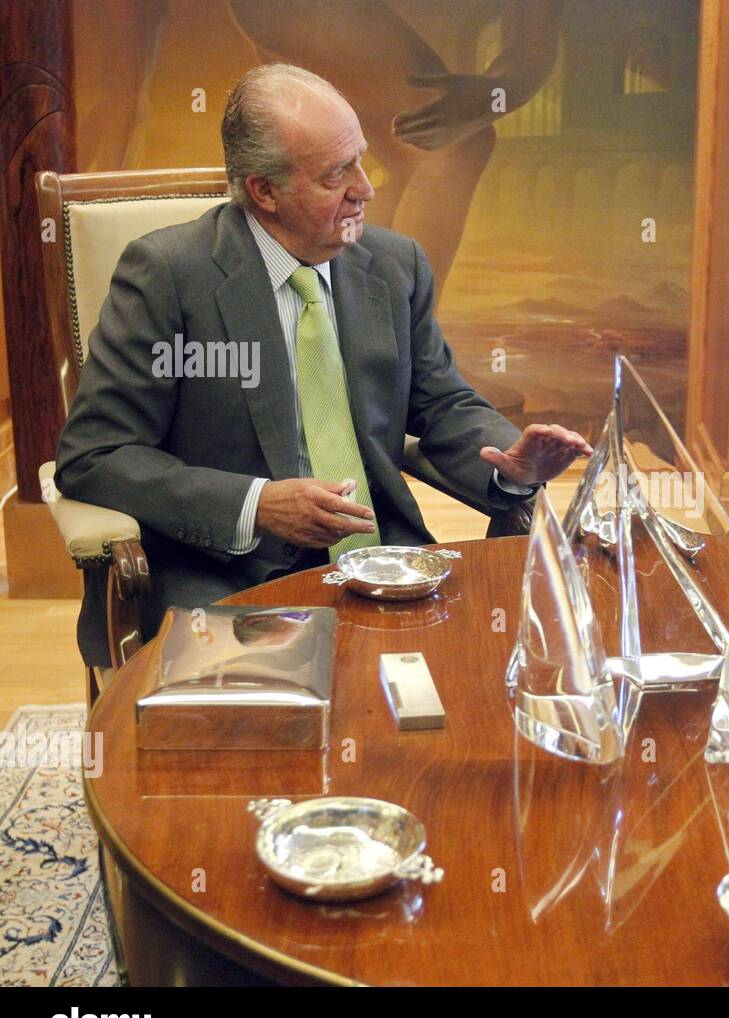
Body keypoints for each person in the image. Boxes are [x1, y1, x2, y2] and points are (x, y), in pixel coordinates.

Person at [56, 64, 592, 667]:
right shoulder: (169, 276)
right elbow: (95, 456)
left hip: (386, 559)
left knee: (486, 677)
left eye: (362, 160)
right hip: (225, 574)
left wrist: (509, 463)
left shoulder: (395, 265)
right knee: (265, 728)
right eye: (337, 174)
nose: (366, 188)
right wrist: (258, 504)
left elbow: (441, 403)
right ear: (264, 191)